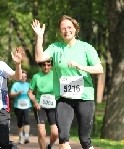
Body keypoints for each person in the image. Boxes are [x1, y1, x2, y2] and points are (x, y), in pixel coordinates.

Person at [31, 15, 103, 149]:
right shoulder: (55, 47)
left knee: (84, 139)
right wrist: (39, 37)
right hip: (64, 99)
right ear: (60, 31)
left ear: (75, 29)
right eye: (63, 28)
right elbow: (39, 58)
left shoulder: (86, 48)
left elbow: (99, 69)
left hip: (84, 97)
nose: (66, 31)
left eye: (69, 27)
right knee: (63, 138)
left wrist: (80, 67)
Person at [28, 60, 58, 149]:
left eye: (48, 65)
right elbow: (30, 92)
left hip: (53, 106)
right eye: (44, 65)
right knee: (41, 132)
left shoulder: (56, 76)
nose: (46, 67)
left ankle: (50, 146)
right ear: (41, 66)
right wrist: (35, 102)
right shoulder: (36, 77)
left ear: (51, 66)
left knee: (55, 133)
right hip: (40, 106)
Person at [0, 47, 24, 149]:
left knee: (3, 143)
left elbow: (17, 77)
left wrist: (18, 64)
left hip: (1, 109)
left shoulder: (1, 65)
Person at [9, 70, 32, 144]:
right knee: (20, 122)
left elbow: (32, 93)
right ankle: (20, 136)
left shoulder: (28, 84)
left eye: (25, 77)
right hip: (18, 106)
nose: (23, 78)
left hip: (27, 106)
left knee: (27, 121)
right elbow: (11, 94)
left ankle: (26, 137)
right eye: (22, 76)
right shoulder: (16, 84)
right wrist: (18, 93)